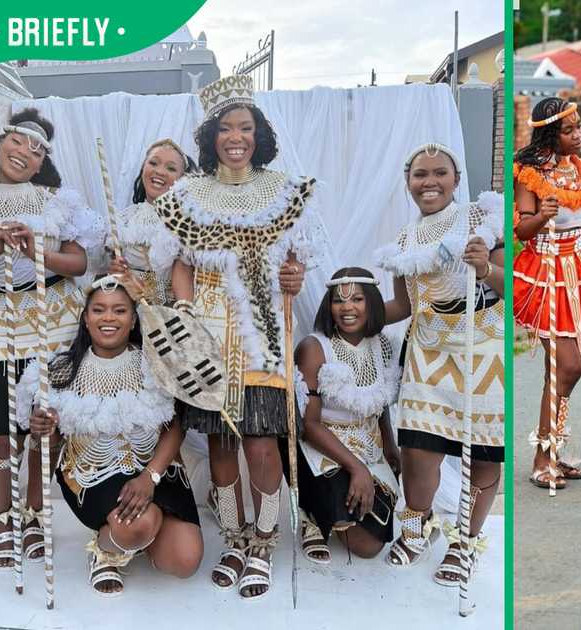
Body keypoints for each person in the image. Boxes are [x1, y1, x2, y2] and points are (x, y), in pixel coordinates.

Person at [151, 75, 330, 598]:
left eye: (245, 127)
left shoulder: (284, 192)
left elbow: (296, 261)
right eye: (226, 127)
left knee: (261, 445)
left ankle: (265, 540)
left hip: (262, 333)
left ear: (259, 134)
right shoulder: (187, 195)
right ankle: (233, 537)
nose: (236, 136)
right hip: (206, 333)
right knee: (222, 443)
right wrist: (184, 317)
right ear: (211, 137)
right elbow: (179, 263)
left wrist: (293, 276)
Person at [0, 108, 104, 570]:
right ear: (1, 144)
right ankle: (1, 518)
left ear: (42, 164)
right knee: (0, 431)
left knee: (44, 424)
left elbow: (79, 264)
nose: (25, 153)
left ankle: (34, 515)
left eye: (37, 151)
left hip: (54, 317)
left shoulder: (56, 201)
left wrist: (39, 251)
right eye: (19, 142)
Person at [21, 275, 202, 596]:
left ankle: (139, 535)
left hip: (156, 473)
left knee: (185, 560)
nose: (108, 318)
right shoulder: (61, 371)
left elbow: (174, 427)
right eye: (99, 310)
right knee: (140, 525)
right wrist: (43, 432)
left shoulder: (155, 364)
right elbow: (51, 448)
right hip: (94, 476)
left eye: (119, 311)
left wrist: (150, 477)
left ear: (133, 319)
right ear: (86, 318)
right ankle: (107, 552)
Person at [376, 142, 504, 585]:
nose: (429, 182)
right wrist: (349, 313)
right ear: (408, 183)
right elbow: (401, 306)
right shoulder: (404, 241)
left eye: (439, 173)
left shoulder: (481, 220)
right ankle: (416, 531)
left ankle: (464, 543)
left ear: (455, 178)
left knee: (484, 453)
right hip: (427, 347)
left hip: (482, 344)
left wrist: (485, 267)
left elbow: (506, 285)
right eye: (419, 174)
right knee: (418, 450)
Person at [512, 97, 581, 490]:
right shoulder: (528, 174)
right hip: (544, 274)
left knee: (559, 370)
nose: (578, 135)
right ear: (549, 134)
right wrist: (541, 216)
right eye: (570, 129)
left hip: (579, 271)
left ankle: (553, 447)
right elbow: (520, 230)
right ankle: (544, 454)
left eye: (579, 127)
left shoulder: (580, 171)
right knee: (568, 366)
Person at [284, 268, 401, 564]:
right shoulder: (314, 348)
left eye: (357, 299)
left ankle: (333, 512)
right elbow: (308, 424)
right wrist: (357, 468)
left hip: (368, 447)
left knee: (370, 546)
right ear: (329, 305)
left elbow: (380, 400)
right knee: (344, 520)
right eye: (339, 300)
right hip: (321, 448)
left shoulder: (382, 344)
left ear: (372, 303)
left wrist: (390, 445)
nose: (347, 307)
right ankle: (311, 514)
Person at [106, 138, 196, 304]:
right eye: (153, 163)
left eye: (171, 168)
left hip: (168, 316)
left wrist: (184, 317)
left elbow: (186, 278)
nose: (160, 171)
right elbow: (110, 271)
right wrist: (114, 270)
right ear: (143, 169)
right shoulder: (123, 220)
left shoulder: (188, 224)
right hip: (127, 311)